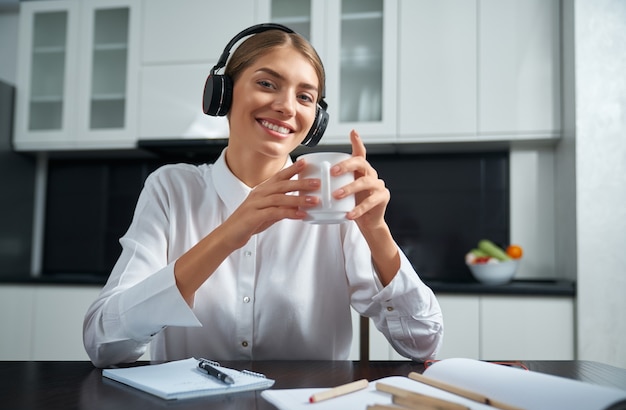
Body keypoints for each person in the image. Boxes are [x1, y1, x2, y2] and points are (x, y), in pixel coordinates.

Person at [83, 24, 443, 368]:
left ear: (315, 119)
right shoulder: (171, 189)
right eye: (267, 84)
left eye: (304, 96)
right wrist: (229, 233)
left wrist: (377, 230)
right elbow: (104, 344)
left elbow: (423, 343)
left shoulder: (333, 205)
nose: (287, 107)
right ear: (223, 93)